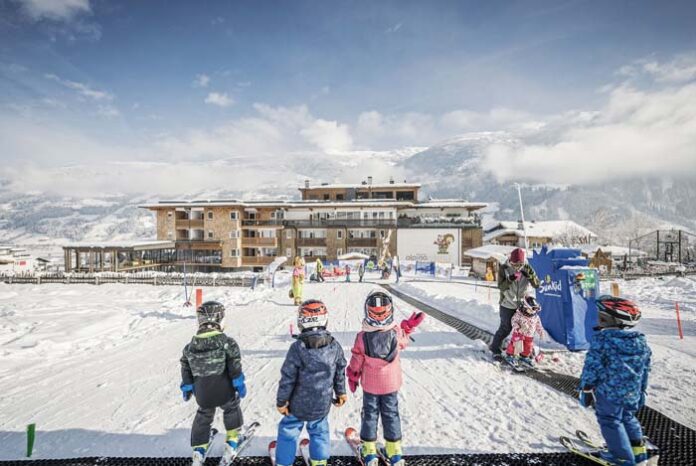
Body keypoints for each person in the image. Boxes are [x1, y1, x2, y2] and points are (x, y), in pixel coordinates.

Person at [347, 291, 425, 466]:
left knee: (370, 415)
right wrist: (407, 326)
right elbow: (405, 341)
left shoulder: (362, 337)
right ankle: (394, 452)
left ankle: (369, 452)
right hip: (390, 385)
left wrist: (352, 376)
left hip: (371, 386)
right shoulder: (396, 333)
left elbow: (356, 361)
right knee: (391, 415)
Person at [578, 296, 652, 466]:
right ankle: (638, 451)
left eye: (601, 317)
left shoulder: (603, 340)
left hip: (609, 393)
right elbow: (645, 370)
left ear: (612, 320)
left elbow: (593, 367)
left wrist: (587, 389)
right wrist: (641, 391)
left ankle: (621, 456)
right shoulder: (641, 342)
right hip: (632, 392)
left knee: (609, 420)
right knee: (627, 416)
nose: (598, 320)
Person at [275, 300, 348, 466]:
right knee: (319, 431)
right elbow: (339, 371)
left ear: (301, 321)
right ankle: (320, 461)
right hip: (322, 402)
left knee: (289, 430)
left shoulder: (298, 348)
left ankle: (283, 462)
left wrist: (282, 401)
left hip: (297, 404)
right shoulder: (334, 346)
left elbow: (288, 377)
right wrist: (341, 392)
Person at [180, 301, 247, 466]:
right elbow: (234, 366)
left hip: (203, 393)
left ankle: (199, 449)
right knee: (231, 408)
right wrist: (238, 382)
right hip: (225, 391)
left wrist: (188, 385)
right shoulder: (227, 342)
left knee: (204, 414)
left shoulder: (189, 347)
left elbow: (185, 366)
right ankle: (233, 440)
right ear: (221, 319)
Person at [489, 247, 540, 360]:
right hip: (507, 303)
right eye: (514, 264)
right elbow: (500, 287)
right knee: (505, 328)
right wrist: (510, 279)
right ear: (510, 261)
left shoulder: (527, 267)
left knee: (521, 331)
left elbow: (537, 284)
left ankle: (519, 351)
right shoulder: (504, 268)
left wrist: (529, 276)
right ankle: (495, 348)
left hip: (523, 306)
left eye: (520, 264)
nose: (517, 267)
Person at [504, 295, 544, 368]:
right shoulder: (519, 315)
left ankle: (524, 356)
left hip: (529, 336)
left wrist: (541, 332)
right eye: (531, 310)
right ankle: (510, 356)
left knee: (528, 348)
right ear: (525, 308)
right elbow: (513, 321)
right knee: (516, 347)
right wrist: (517, 327)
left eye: (534, 310)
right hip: (519, 334)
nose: (533, 312)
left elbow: (538, 325)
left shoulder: (535, 317)